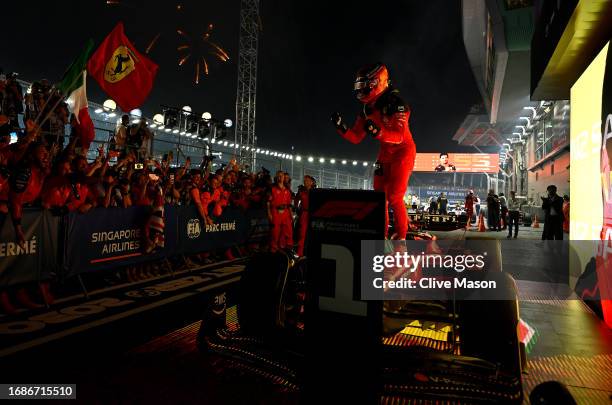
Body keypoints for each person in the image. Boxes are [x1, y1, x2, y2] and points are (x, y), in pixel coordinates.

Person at [332, 63, 416, 240]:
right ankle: (382, 237)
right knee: (380, 198)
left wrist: (378, 132)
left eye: (364, 85)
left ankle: (401, 239)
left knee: (394, 196)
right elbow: (356, 137)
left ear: (376, 83)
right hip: (385, 153)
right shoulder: (367, 108)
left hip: (403, 151)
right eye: (359, 86)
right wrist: (341, 127)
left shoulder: (397, 103)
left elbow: (400, 137)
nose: (361, 90)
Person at [268, 170, 293, 252]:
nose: (280, 177)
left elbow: (289, 204)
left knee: (287, 232)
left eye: (282, 176)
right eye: (278, 176)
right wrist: (269, 214)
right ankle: (273, 251)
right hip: (275, 212)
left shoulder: (287, 190)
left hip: (285, 213)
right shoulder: (272, 189)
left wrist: (291, 215)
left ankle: (287, 250)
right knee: (275, 233)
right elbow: (268, 203)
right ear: (276, 177)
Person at [295, 175, 315, 256]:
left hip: (312, 214)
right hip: (304, 214)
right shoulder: (301, 192)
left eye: (307, 180)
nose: (305, 182)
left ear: (311, 182)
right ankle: (300, 253)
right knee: (302, 234)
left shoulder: (315, 191)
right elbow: (296, 200)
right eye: (304, 180)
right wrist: (296, 208)